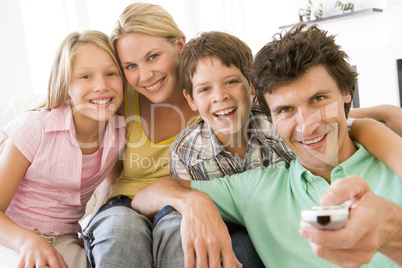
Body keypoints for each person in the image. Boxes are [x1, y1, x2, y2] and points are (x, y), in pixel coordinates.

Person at [131, 24, 402, 267]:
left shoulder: (392, 160)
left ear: (347, 92)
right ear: (270, 115)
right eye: (285, 109)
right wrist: (192, 202)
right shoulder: (256, 190)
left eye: (318, 98)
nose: (306, 126)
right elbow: (146, 196)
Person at [81, 3, 201, 268]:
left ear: (180, 44)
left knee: (180, 231)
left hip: (182, 203)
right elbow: (112, 172)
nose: (145, 76)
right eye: (131, 65)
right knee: (120, 232)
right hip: (125, 205)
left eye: (153, 56)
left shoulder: (207, 93)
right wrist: (97, 211)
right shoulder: (124, 100)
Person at [0, 30, 125, 268]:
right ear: (66, 84)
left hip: (65, 239)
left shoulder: (119, 132)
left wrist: (91, 227)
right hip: (13, 237)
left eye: (111, 73)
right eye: (85, 76)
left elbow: (112, 180)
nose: (101, 86)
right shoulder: (35, 128)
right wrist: (28, 241)